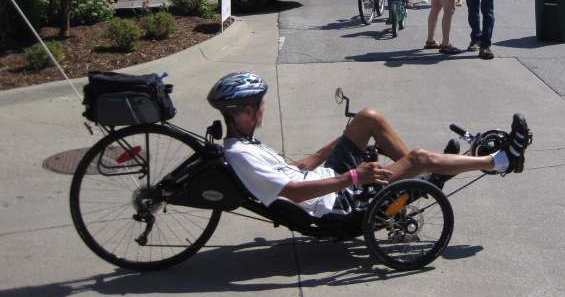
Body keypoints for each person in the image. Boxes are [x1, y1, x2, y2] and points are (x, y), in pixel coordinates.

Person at [210, 72, 533, 220]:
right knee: (420, 156)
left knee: (368, 117)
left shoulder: (244, 143)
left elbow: (297, 169)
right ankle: (499, 161)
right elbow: (294, 192)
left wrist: (339, 142)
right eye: (261, 104)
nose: (264, 108)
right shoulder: (241, 153)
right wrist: (355, 176)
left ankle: (422, 175)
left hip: (328, 177)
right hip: (336, 200)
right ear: (247, 111)